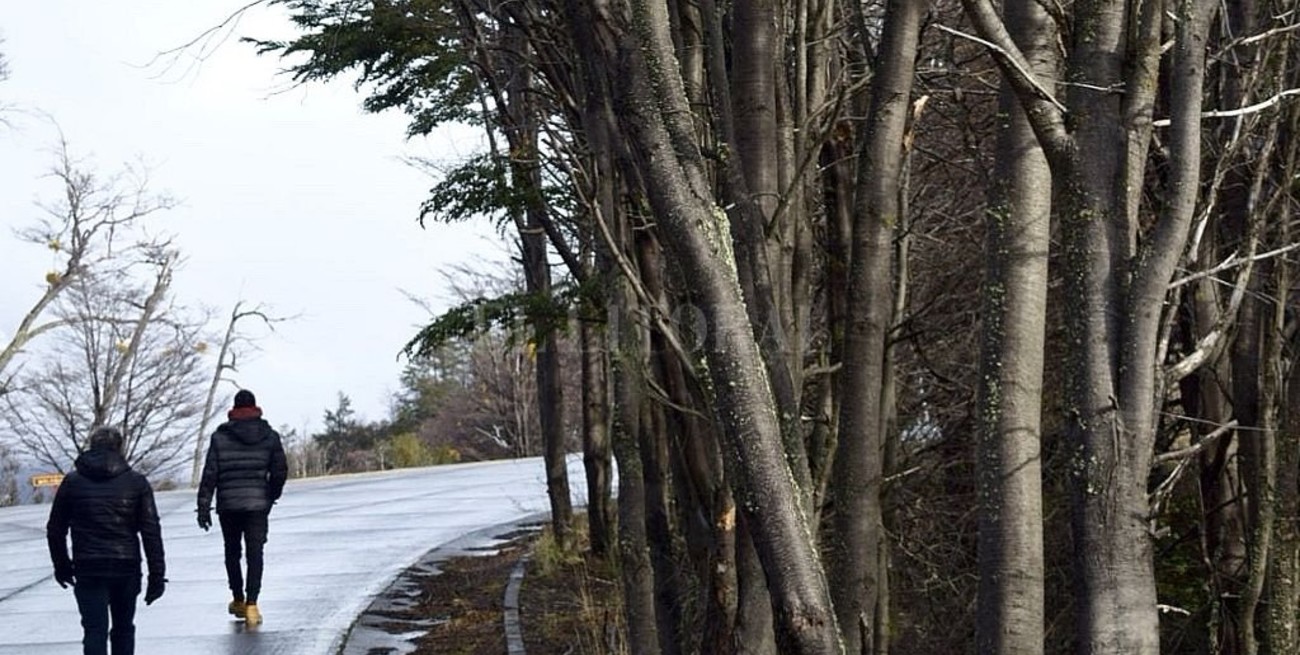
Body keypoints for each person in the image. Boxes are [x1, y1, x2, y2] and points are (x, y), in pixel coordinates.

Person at [46, 426, 166, 655]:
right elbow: (151, 531)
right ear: (120, 448)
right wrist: (157, 575)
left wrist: (62, 566)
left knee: (94, 630)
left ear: (92, 446)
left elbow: (55, 529)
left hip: (88, 566)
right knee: (123, 628)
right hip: (126, 565)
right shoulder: (137, 482)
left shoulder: (72, 482)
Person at [196, 388, 288, 626]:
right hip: (258, 504)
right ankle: (252, 605)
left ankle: (238, 598)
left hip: (229, 504)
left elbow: (210, 474)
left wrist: (203, 506)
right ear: (255, 407)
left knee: (232, 552)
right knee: (255, 552)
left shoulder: (220, 437)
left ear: (234, 409)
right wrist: (271, 495)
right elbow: (280, 471)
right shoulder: (269, 436)